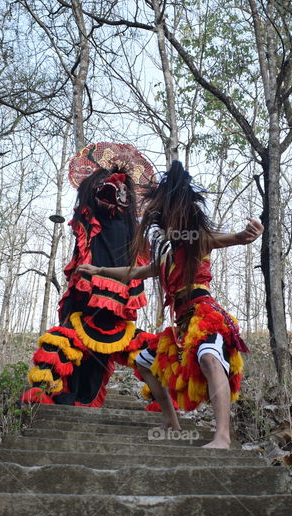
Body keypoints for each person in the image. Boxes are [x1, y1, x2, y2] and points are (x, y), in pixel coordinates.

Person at [77, 160, 263, 448]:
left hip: (204, 313)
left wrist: (244, 236)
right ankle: (171, 422)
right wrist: (99, 270)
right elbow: (135, 272)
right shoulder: (164, 255)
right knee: (145, 361)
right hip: (181, 324)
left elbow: (230, 239)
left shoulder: (197, 239)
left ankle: (223, 436)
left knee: (210, 358)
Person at [20, 164, 159, 407]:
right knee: (68, 343)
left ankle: (163, 403)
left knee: (104, 356)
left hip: (119, 296)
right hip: (87, 294)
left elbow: (144, 257)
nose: (118, 194)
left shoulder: (132, 228)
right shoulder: (89, 217)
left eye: (124, 190)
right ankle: (50, 395)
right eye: (112, 189)